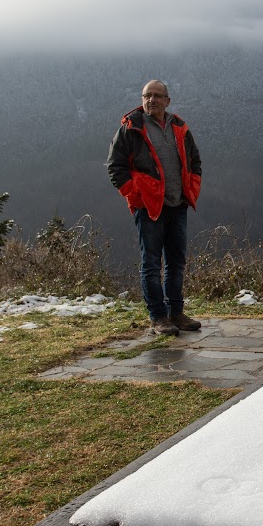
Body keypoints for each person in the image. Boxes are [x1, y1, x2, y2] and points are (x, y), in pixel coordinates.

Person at [107, 79, 202, 335]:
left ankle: (176, 314)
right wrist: (135, 195)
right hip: (148, 207)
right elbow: (115, 167)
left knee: (176, 262)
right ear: (142, 99)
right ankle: (158, 317)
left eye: (157, 96)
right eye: (147, 95)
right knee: (151, 263)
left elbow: (194, 161)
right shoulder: (131, 129)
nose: (152, 100)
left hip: (177, 204)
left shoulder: (179, 128)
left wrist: (190, 189)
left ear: (167, 101)